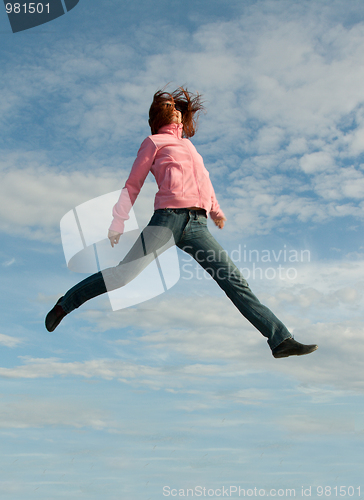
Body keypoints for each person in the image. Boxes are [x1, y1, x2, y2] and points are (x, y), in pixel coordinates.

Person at [46, 87, 318, 359]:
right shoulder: (153, 143)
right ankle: (65, 304)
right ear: (160, 115)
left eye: (178, 109)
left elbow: (205, 181)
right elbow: (133, 184)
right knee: (123, 275)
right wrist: (118, 221)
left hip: (198, 226)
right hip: (166, 221)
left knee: (234, 280)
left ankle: (280, 339)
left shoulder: (189, 146)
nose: (176, 112)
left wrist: (216, 211)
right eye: (170, 108)